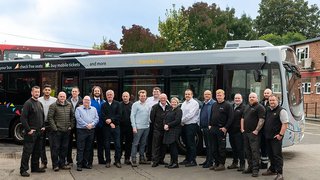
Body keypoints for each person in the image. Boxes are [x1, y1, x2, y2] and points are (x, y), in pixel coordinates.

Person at [20, 86, 46, 177]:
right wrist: (28, 130)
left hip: (39, 132)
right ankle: (23, 170)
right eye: (35, 92)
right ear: (32, 93)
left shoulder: (39, 103)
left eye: (38, 92)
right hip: (31, 132)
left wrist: (43, 126)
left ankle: (35, 167)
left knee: (37, 151)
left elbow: (42, 116)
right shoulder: (28, 103)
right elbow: (23, 118)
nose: (37, 93)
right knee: (27, 152)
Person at [262, 95, 288, 180]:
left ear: (278, 101)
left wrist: (280, 135)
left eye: (273, 100)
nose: (272, 102)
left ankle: (280, 174)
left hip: (276, 137)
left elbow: (285, 124)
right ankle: (272, 169)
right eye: (270, 100)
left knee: (277, 155)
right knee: (271, 155)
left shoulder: (282, 111)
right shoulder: (268, 110)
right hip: (268, 137)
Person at [47, 91, 75, 171]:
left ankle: (62, 164)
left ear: (66, 97)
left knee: (64, 148)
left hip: (66, 131)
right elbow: (50, 118)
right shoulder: (53, 106)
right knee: (55, 148)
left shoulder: (69, 105)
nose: (62, 98)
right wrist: (54, 128)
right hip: (57, 132)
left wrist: (71, 126)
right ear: (58, 97)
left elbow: (72, 116)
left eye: (64, 96)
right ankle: (55, 165)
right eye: (61, 96)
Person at [241, 92, 266, 177]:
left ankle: (255, 170)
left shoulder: (260, 107)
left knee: (255, 152)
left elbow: (261, 120)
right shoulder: (247, 106)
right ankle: (250, 167)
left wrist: (256, 130)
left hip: (254, 134)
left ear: (257, 98)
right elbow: (243, 118)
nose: (251, 98)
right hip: (246, 133)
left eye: (253, 97)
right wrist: (242, 129)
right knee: (247, 151)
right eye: (250, 97)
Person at [208, 89, 233, 171]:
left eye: (220, 95)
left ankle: (222, 164)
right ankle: (217, 163)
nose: (218, 96)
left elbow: (230, 118)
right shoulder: (214, 105)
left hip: (221, 129)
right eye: (217, 95)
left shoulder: (227, 105)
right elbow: (211, 115)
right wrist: (209, 125)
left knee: (221, 148)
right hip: (213, 129)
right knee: (213, 147)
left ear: (224, 95)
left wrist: (225, 127)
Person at [75, 96, 99, 171]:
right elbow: (78, 119)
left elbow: (97, 118)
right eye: (85, 100)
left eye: (88, 100)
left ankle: (85, 164)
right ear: (83, 101)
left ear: (90, 101)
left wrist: (92, 125)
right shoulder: (78, 109)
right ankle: (79, 164)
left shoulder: (94, 109)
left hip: (91, 130)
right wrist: (86, 125)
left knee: (88, 148)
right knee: (80, 148)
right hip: (81, 130)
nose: (86, 101)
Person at [101, 90, 122, 168]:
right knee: (107, 145)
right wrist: (110, 123)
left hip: (116, 127)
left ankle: (117, 161)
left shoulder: (118, 104)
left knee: (118, 145)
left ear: (113, 95)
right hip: (106, 128)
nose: (109, 96)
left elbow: (119, 115)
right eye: (108, 95)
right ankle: (108, 161)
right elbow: (102, 116)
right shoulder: (103, 105)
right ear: (106, 96)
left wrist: (112, 121)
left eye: (111, 94)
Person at [38, 84, 57, 169]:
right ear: (43, 91)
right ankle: (43, 162)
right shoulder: (38, 100)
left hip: (51, 124)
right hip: (41, 124)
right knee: (41, 145)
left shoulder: (55, 100)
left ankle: (54, 164)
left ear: (51, 91)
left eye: (49, 90)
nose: (47, 91)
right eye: (46, 90)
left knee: (53, 145)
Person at [179, 89, 200, 167]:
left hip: (191, 125)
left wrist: (181, 121)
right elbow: (181, 113)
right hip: (184, 125)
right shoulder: (184, 103)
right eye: (186, 94)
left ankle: (192, 160)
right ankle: (187, 159)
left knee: (191, 143)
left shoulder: (194, 103)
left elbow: (191, 115)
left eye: (189, 94)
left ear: (192, 95)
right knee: (186, 143)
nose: (187, 95)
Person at [130, 90, 150, 167]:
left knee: (143, 143)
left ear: (146, 96)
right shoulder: (135, 104)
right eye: (141, 96)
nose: (143, 97)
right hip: (138, 127)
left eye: (144, 96)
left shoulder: (148, 105)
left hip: (146, 127)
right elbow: (132, 116)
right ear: (139, 96)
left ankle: (142, 158)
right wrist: (134, 127)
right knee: (135, 143)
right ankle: (133, 158)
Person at [150, 93, 170, 167]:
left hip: (166, 130)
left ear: (166, 98)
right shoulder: (155, 107)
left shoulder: (169, 107)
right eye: (161, 98)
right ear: (159, 99)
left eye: (164, 98)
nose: (163, 99)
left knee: (164, 145)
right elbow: (152, 118)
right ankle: (155, 161)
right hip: (157, 129)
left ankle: (161, 160)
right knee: (156, 145)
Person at [227, 93, 245, 171]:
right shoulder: (231, 107)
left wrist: (242, 130)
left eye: (238, 98)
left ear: (242, 99)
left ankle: (242, 165)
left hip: (239, 132)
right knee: (233, 148)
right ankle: (235, 163)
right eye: (235, 98)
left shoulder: (244, 108)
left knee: (240, 149)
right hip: (231, 131)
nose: (237, 100)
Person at [163, 97, 182, 169]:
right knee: (170, 147)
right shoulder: (170, 109)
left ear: (177, 103)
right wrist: (165, 124)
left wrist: (168, 125)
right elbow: (165, 118)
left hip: (175, 130)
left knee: (174, 147)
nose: (173, 103)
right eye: (172, 102)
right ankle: (171, 162)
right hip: (168, 129)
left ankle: (175, 163)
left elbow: (177, 121)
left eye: (175, 102)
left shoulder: (179, 110)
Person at [199, 90, 215, 168]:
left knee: (210, 145)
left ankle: (210, 161)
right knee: (207, 145)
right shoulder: (204, 103)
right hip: (204, 127)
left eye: (208, 94)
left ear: (211, 95)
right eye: (205, 94)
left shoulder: (213, 104)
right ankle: (207, 160)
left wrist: (211, 124)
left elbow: (214, 115)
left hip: (209, 127)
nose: (207, 95)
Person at [66, 86, 83, 165]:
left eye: (76, 91)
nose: (74, 93)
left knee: (79, 143)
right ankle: (69, 160)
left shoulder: (82, 101)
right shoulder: (67, 101)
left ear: (78, 92)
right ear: (71, 92)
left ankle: (79, 160)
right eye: (73, 91)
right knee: (68, 143)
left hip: (79, 126)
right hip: (69, 125)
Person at [90, 86, 106, 165]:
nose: (97, 92)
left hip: (102, 126)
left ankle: (101, 159)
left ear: (100, 92)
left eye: (98, 91)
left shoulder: (104, 101)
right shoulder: (90, 101)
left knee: (101, 144)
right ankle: (90, 160)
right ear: (93, 92)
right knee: (90, 144)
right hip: (92, 126)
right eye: (95, 91)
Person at [145, 87, 161, 161]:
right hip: (150, 123)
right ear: (152, 93)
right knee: (150, 139)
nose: (156, 93)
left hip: (159, 124)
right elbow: (146, 111)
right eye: (154, 92)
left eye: (157, 92)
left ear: (160, 93)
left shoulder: (163, 99)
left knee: (158, 140)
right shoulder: (148, 100)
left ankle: (157, 156)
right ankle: (149, 156)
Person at [259, 88, 272, 169]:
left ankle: (270, 165)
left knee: (269, 148)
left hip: (269, 129)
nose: (266, 94)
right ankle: (263, 164)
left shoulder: (272, 103)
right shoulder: (261, 103)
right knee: (262, 147)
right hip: (261, 129)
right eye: (265, 93)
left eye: (268, 93)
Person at [120, 92, 133, 165]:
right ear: (122, 97)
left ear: (129, 97)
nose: (125, 97)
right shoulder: (119, 105)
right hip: (120, 127)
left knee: (129, 143)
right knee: (119, 143)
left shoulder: (132, 105)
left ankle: (127, 158)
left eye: (126, 96)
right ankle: (118, 158)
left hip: (129, 127)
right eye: (124, 96)